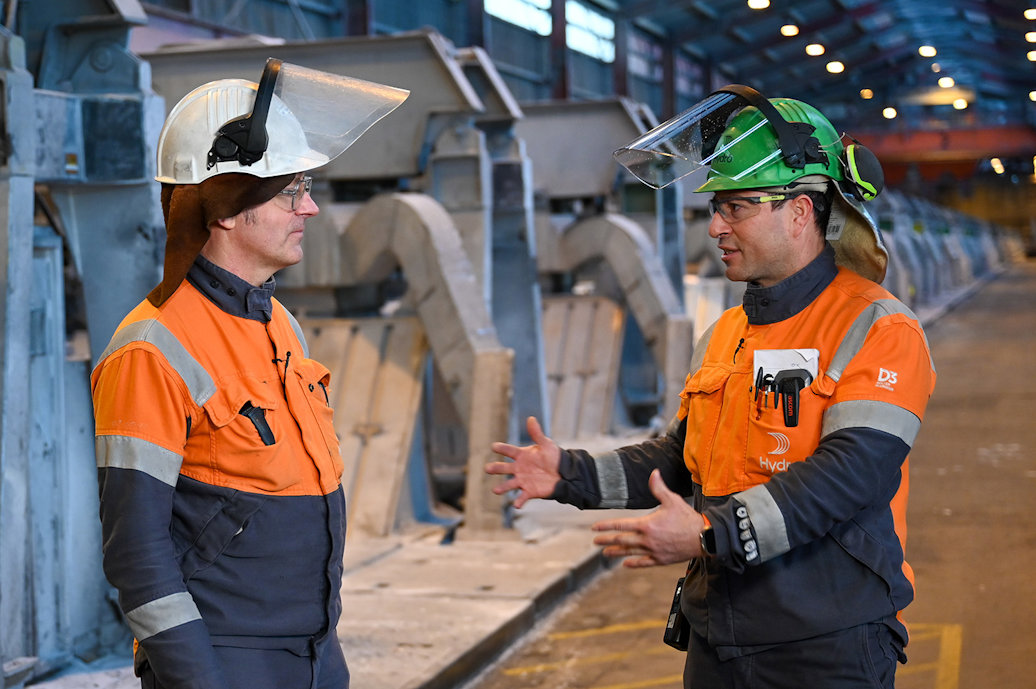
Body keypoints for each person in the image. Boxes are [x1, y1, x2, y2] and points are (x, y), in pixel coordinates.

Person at [486, 85, 935, 688]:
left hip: (825, 646)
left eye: (737, 206)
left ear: (801, 210)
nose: (716, 226)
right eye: (715, 207)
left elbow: (849, 474)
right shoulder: (729, 331)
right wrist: (568, 473)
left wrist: (709, 533)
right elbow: (683, 458)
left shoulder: (877, 328)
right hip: (720, 636)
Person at [91, 59, 407, 689]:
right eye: (290, 192)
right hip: (224, 661)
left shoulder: (277, 321)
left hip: (313, 653)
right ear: (227, 211)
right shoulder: (150, 350)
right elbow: (136, 554)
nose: (310, 208)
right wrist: (197, 678)